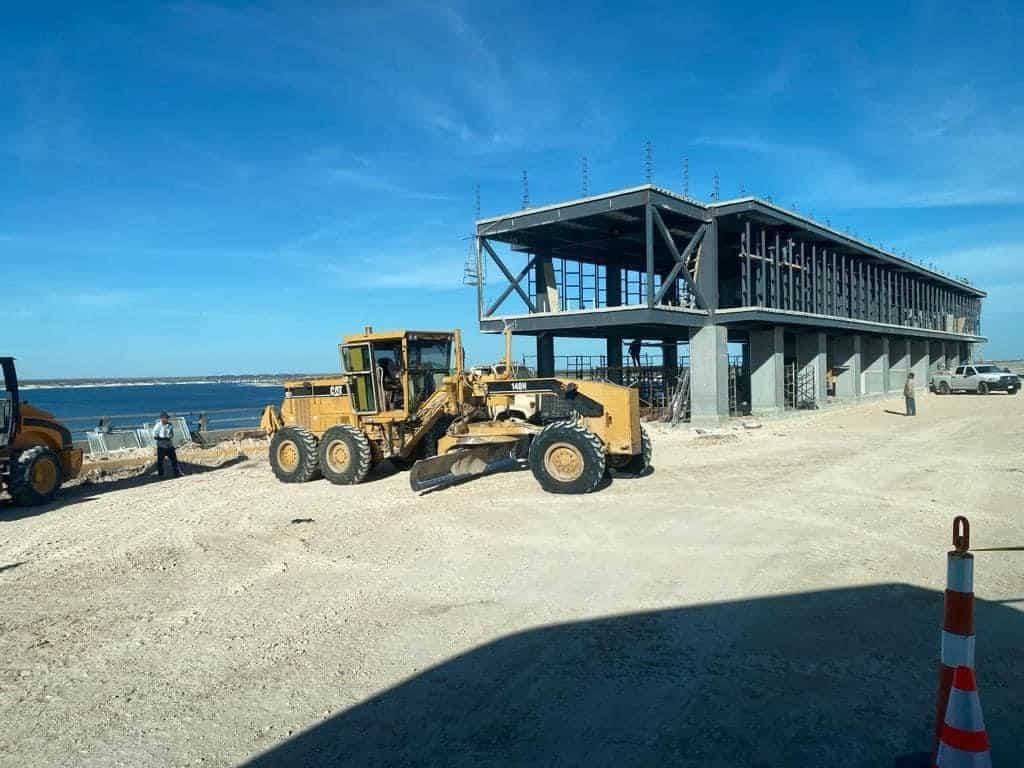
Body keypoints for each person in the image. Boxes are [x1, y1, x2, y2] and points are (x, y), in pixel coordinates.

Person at [153, 411, 182, 477]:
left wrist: (170, 437)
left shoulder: (170, 425)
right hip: (161, 446)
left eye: (167, 418)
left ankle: (176, 473)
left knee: (174, 460)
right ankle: (161, 474)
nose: (166, 419)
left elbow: (172, 434)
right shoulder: (158, 426)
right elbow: (155, 436)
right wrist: (163, 438)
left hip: (169, 445)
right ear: (161, 418)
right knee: (160, 461)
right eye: (165, 418)